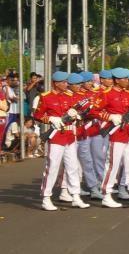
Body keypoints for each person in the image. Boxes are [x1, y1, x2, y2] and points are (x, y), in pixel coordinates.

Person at [34, 71, 90, 211]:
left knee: (73, 167)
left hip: (70, 135)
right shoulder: (46, 97)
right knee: (52, 167)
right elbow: (37, 115)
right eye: (64, 82)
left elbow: (79, 113)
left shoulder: (71, 96)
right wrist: (51, 119)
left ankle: (76, 195)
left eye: (67, 82)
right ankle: (46, 197)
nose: (67, 84)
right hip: (56, 136)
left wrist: (77, 115)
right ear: (55, 83)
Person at [93, 68, 129, 208]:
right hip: (115, 134)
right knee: (113, 165)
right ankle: (106, 194)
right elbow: (94, 110)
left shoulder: (127, 94)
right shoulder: (106, 94)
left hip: (126, 132)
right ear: (117, 80)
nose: (127, 81)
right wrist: (110, 117)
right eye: (125, 79)